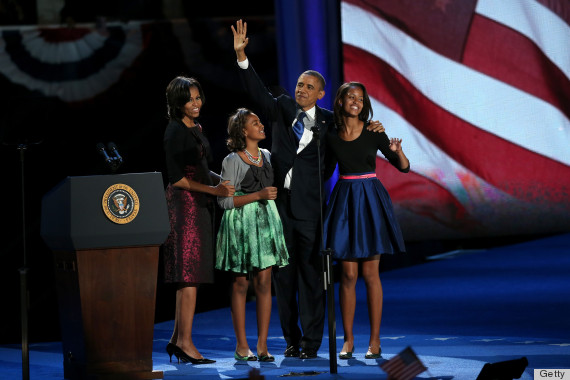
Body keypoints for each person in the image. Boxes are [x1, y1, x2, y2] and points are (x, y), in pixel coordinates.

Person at [231, 19, 385, 359]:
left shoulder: (332, 121)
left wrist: (373, 124)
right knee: (283, 278)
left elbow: (356, 133)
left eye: (308, 86)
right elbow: (257, 92)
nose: (301, 89)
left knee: (313, 278)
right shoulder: (283, 106)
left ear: (321, 93)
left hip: (314, 208)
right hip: (280, 205)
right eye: (299, 84)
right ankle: (291, 338)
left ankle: (312, 343)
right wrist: (243, 57)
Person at [323, 82, 410, 360]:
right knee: (348, 275)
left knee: (371, 274)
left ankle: (375, 340)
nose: (356, 102)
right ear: (340, 102)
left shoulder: (374, 132)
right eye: (351, 97)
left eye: (360, 98)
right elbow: (323, 171)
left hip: (370, 200)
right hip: (345, 201)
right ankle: (348, 340)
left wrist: (397, 150)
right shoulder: (331, 135)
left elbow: (403, 167)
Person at [162, 76, 235, 364]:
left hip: (200, 205)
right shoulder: (174, 131)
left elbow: (202, 169)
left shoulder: (196, 128)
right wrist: (215, 190)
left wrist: (226, 183)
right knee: (188, 275)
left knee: (191, 276)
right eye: (190, 99)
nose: (196, 103)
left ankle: (177, 339)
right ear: (178, 103)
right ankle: (186, 343)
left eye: (198, 97)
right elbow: (178, 179)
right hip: (184, 207)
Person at [215, 108, 289, 362]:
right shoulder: (232, 160)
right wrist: (257, 196)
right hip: (240, 224)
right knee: (240, 284)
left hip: (266, 222)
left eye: (260, 121)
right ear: (243, 131)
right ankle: (242, 345)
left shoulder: (267, 155)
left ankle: (262, 345)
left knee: (265, 284)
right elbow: (224, 203)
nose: (261, 125)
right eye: (254, 123)